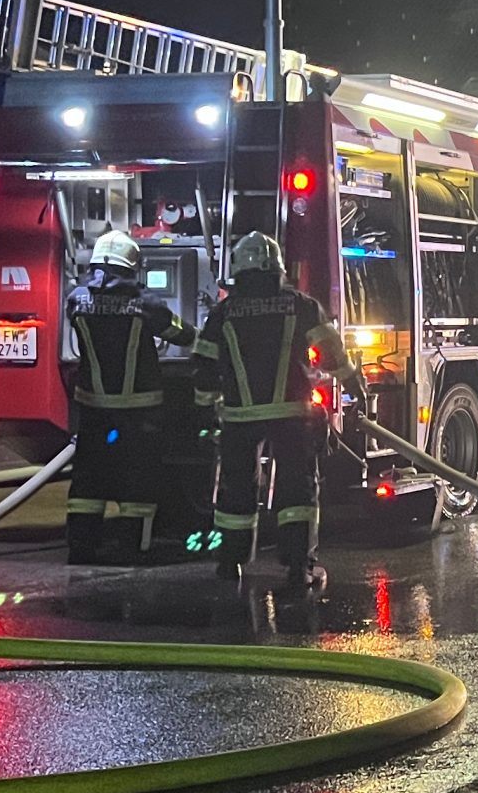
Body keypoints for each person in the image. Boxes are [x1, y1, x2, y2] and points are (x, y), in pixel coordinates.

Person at [195, 231, 347, 591]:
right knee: (297, 489)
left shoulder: (223, 312)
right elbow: (331, 353)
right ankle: (299, 567)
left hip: (238, 418)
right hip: (292, 414)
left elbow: (204, 365)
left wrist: (206, 410)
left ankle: (230, 564)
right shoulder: (301, 305)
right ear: (277, 268)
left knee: (235, 492)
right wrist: (353, 383)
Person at [64, 230, 195, 563]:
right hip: (140, 409)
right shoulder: (145, 303)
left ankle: (81, 546)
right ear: (132, 265)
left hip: (92, 407)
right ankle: (132, 547)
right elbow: (181, 334)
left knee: (87, 481)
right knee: (138, 479)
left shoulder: (76, 298)